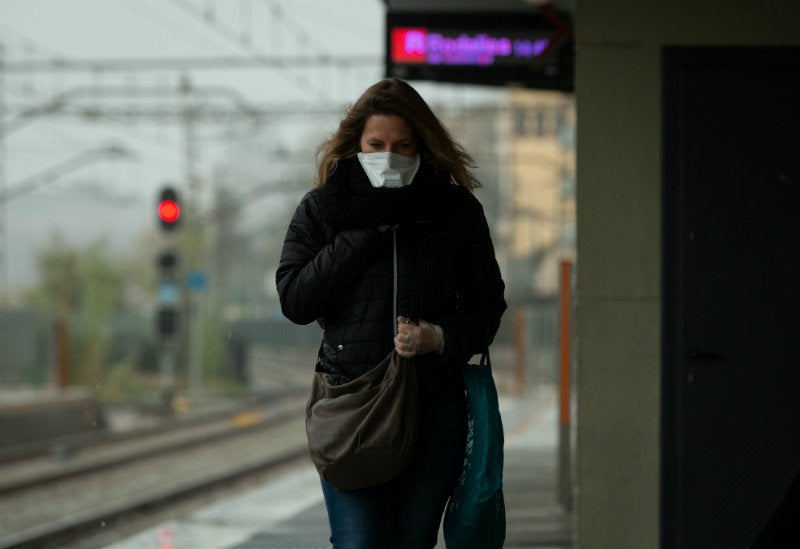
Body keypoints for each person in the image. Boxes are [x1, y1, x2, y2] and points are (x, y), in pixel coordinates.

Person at [276, 78, 506, 549]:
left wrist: (437, 337)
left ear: (422, 144)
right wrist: (365, 232)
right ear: (356, 145)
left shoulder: (455, 211)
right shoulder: (324, 207)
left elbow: (488, 306)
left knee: (411, 541)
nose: (389, 155)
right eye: (376, 144)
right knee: (359, 543)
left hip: (434, 406)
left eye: (403, 145)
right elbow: (295, 300)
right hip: (352, 402)